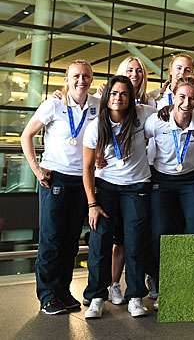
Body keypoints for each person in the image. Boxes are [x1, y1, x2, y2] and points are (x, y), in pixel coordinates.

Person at [21, 60, 99, 315]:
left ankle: (63, 292)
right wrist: (36, 169)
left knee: (70, 242)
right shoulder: (53, 104)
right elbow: (26, 136)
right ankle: (46, 296)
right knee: (51, 241)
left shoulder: (97, 106)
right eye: (76, 76)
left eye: (86, 76)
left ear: (91, 79)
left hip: (83, 181)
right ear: (67, 79)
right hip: (55, 179)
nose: (81, 80)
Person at [82, 75, 155, 319]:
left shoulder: (142, 115)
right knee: (99, 244)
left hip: (137, 187)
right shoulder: (96, 126)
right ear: (107, 96)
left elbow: (168, 112)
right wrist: (92, 203)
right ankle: (96, 297)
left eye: (124, 94)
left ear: (131, 97)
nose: (118, 98)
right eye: (114, 93)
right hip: (106, 188)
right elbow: (87, 168)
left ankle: (135, 297)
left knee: (134, 242)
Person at [144, 76, 194, 309]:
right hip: (161, 181)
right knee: (160, 232)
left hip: (192, 180)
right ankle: (160, 282)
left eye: (191, 97)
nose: (186, 101)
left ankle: (186, 283)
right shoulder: (156, 121)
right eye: (182, 96)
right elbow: (137, 140)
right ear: (173, 97)